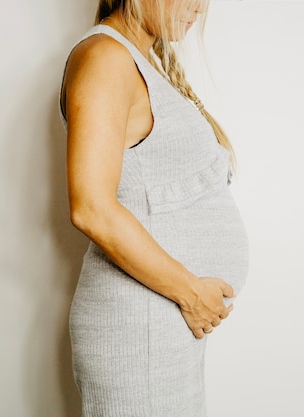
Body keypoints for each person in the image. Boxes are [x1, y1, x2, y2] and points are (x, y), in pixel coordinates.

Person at [58, 0, 249, 415]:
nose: (200, 6)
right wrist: (191, 293)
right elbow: (91, 207)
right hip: (140, 328)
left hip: (160, 325)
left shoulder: (138, 58)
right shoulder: (105, 58)